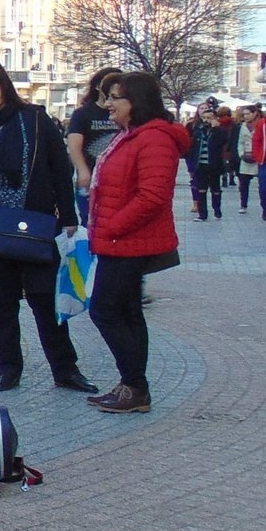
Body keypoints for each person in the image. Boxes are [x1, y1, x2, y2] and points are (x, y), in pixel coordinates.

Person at [0, 57, 95, 394]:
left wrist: (69, 217)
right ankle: (9, 368)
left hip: (35, 224)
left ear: (2, 84)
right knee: (1, 304)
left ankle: (65, 369)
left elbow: (59, 170)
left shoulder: (34, 119)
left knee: (44, 301)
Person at [85, 71, 189, 413]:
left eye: (116, 97)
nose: (108, 103)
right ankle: (132, 387)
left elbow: (152, 196)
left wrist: (113, 226)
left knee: (105, 311)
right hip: (119, 239)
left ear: (137, 103)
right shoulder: (132, 135)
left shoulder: (153, 138)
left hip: (128, 241)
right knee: (127, 313)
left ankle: (135, 387)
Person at [66, 66, 123, 223]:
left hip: (118, 178)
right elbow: (74, 145)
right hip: (91, 176)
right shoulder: (83, 114)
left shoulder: (124, 113)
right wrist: (83, 170)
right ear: (98, 87)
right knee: (89, 220)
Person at [188, 105, 231, 222]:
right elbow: (192, 149)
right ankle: (202, 214)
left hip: (214, 165)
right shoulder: (198, 132)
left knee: (215, 189)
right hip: (200, 165)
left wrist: (217, 129)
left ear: (215, 119)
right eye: (204, 118)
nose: (206, 120)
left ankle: (217, 209)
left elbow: (224, 141)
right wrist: (191, 165)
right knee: (201, 189)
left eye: (209, 118)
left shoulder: (219, 132)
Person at [233, 103, 260, 215]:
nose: (246, 116)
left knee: (264, 184)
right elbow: (240, 142)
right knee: (243, 183)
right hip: (246, 157)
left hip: (258, 157)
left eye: (248, 114)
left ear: (255, 114)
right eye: (244, 114)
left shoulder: (262, 125)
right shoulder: (242, 126)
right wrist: (241, 154)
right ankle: (243, 205)